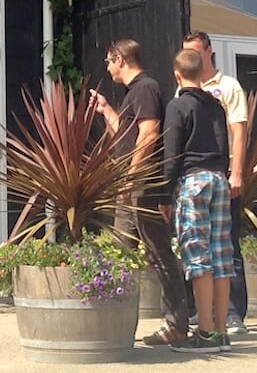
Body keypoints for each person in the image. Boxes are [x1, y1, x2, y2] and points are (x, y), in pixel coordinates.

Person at [90, 39, 191, 347]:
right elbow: (127, 131)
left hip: (142, 185)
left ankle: (177, 324)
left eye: (109, 61)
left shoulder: (145, 88)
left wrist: (132, 177)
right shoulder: (134, 93)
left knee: (158, 251)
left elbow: (148, 133)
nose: (107, 68)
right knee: (121, 250)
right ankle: (111, 322)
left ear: (121, 59)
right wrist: (107, 110)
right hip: (131, 185)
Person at [162, 48, 234, 353]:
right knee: (220, 254)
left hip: (193, 182)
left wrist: (164, 193)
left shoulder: (178, 106)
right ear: (202, 73)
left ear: (177, 75)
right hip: (219, 179)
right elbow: (224, 142)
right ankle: (220, 331)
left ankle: (203, 332)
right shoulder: (216, 105)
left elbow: (172, 152)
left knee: (198, 257)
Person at [182, 30, 249, 334]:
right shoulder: (182, 88)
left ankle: (234, 313)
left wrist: (236, 172)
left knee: (227, 244)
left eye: (196, 51)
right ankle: (203, 313)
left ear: (209, 51)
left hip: (222, 177)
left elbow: (238, 132)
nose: (193, 57)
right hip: (194, 180)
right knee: (197, 244)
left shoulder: (228, 86)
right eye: (187, 52)